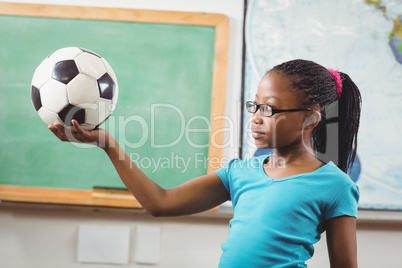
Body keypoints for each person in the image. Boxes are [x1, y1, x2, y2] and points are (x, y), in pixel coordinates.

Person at [49, 59, 361, 268]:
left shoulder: (335, 187)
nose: (255, 117)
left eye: (269, 109)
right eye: (255, 105)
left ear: (310, 118)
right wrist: (107, 144)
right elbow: (161, 203)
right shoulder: (239, 173)